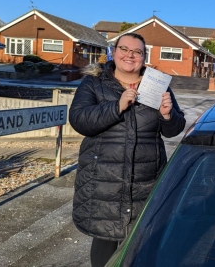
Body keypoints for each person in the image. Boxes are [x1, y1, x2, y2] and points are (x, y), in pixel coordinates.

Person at [69, 33, 186, 267]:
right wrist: (116, 106)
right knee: (105, 238)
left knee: (138, 243)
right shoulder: (94, 82)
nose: (130, 55)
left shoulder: (157, 84)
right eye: (124, 49)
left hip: (145, 179)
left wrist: (167, 115)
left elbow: (175, 129)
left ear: (144, 57)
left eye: (137, 51)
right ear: (114, 51)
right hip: (103, 179)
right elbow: (79, 119)